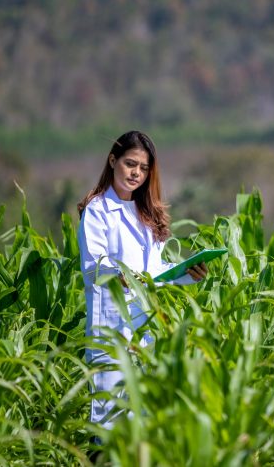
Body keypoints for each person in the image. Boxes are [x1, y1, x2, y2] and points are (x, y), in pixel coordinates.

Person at [77, 130, 207, 429]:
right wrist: (122, 274)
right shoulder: (98, 210)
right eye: (130, 164)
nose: (136, 173)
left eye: (144, 168)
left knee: (144, 420)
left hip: (147, 327)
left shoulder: (146, 213)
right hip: (111, 327)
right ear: (113, 161)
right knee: (109, 420)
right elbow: (92, 266)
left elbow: (156, 272)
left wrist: (187, 274)